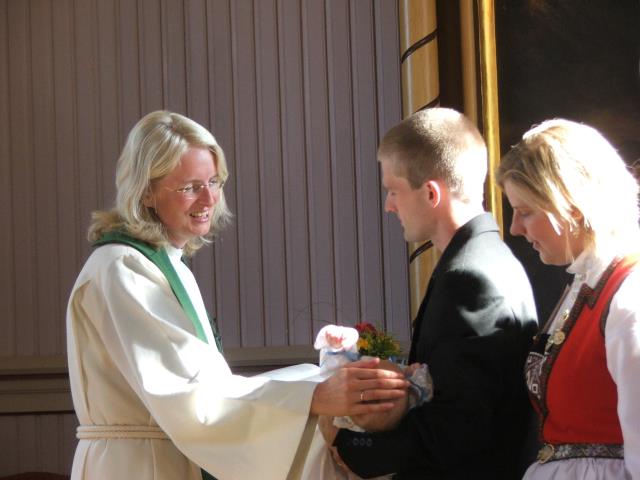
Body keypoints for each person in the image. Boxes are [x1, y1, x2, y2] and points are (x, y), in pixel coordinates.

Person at [65, 110, 409, 480]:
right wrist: (313, 396)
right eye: (190, 187)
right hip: (139, 465)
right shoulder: (123, 268)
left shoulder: (166, 265)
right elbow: (187, 398)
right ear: (146, 191)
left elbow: (208, 389)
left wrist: (319, 383)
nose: (208, 199)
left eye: (213, 182)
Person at [320, 107, 539, 479]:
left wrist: (350, 446)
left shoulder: (470, 278)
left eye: (393, 190)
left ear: (431, 193)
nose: (389, 205)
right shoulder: (489, 259)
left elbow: (458, 428)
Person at [497, 119, 640, 479]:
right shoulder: (586, 283)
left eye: (525, 212)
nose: (515, 228)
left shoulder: (629, 296)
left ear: (572, 207)